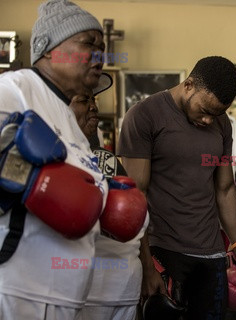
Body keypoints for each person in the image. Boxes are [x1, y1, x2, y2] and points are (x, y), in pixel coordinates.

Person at [117, 56, 236, 320]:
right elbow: (137, 196)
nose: (207, 121)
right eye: (204, 110)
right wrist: (147, 266)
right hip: (164, 252)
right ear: (189, 85)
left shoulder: (222, 124)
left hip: (212, 255)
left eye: (215, 114)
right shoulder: (144, 116)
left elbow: (225, 190)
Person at [0, 0, 108, 318]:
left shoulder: (66, 113)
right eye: (89, 44)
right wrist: (22, 177)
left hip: (63, 294)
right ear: (47, 49)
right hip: (19, 287)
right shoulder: (15, 90)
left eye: (102, 48)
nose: (100, 56)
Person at [68, 74, 149, 320]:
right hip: (80, 290)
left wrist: (149, 270)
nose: (94, 105)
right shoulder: (51, 156)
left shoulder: (106, 159)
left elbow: (137, 221)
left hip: (123, 286)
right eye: (84, 99)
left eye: (94, 99)